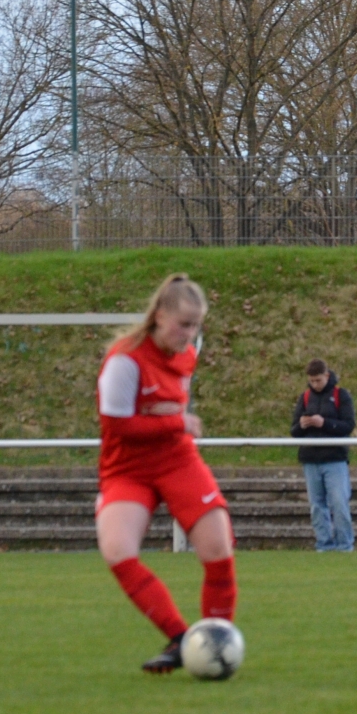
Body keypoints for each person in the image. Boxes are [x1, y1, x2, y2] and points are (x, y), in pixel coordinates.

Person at [95, 273, 237, 674]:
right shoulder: (125, 360)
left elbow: (168, 412)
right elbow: (118, 427)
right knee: (118, 551)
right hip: (127, 467)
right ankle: (179, 639)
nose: (189, 333)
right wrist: (176, 422)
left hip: (177, 460)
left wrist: (170, 422)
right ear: (159, 315)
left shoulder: (186, 355)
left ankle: (215, 642)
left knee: (218, 548)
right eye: (183, 324)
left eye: (196, 325)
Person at [291, 358, 356, 551]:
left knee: (339, 503)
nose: (315, 385)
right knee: (317, 506)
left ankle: (345, 545)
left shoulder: (341, 395)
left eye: (318, 380)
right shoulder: (304, 398)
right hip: (310, 460)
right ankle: (324, 544)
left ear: (327, 376)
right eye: (311, 381)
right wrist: (302, 425)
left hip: (334, 459)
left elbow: (348, 425)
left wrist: (324, 423)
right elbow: (294, 431)